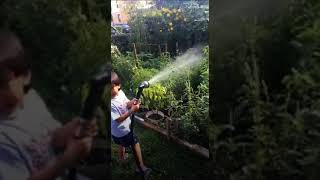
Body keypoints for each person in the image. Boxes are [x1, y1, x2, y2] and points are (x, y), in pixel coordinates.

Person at [0, 30, 97, 180]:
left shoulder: (32, 101)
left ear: (25, 76)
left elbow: (53, 138)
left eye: (1, 84)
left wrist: (73, 128)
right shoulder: (3, 138)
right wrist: (65, 161)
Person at [111, 71, 152, 178]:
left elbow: (126, 103)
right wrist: (132, 110)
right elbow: (119, 119)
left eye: (111, 88)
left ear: (118, 85)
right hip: (122, 131)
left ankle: (122, 158)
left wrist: (132, 102)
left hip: (117, 133)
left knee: (121, 143)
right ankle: (141, 168)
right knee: (135, 143)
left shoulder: (120, 93)